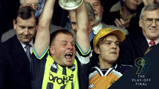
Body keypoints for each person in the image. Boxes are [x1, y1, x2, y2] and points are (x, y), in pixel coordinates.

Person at [31, 0, 92, 89]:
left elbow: (83, 29)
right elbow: (43, 26)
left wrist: (79, 2)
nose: (70, 47)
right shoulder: (42, 63)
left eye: (72, 44)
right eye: (64, 44)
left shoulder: (80, 64)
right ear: (52, 49)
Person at [0, 6, 37, 89]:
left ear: (37, 26)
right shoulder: (3, 51)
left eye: (30, 28)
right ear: (15, 24)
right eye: (22, 27)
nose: (26, 32)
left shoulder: (44, 47)